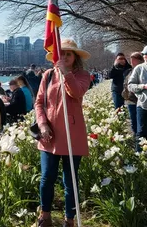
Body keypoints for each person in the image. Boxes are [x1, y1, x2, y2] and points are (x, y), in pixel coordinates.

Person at [34, 39, 92, 227]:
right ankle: (45, 215)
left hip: (72, 134)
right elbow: (39, 102)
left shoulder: (83, 75)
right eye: (62, 53)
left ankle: (69, 219)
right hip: (49, 134)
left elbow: (77, 92)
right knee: (47, 177)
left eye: (69, 53)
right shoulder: (48, 75)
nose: (65, 56)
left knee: (70, 181)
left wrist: (67, 74)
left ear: (75, 57)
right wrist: (42, 124)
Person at [121, 52, 143, 135]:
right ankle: (136, 136)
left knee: (140, 120)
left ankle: (141, 137)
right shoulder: (128, 71)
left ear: (140, 60)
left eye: (134, 59)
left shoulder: (143, 70)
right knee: (133, 120)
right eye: (131, 59)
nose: (132, 61)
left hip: (140, 99)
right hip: (130, 99)